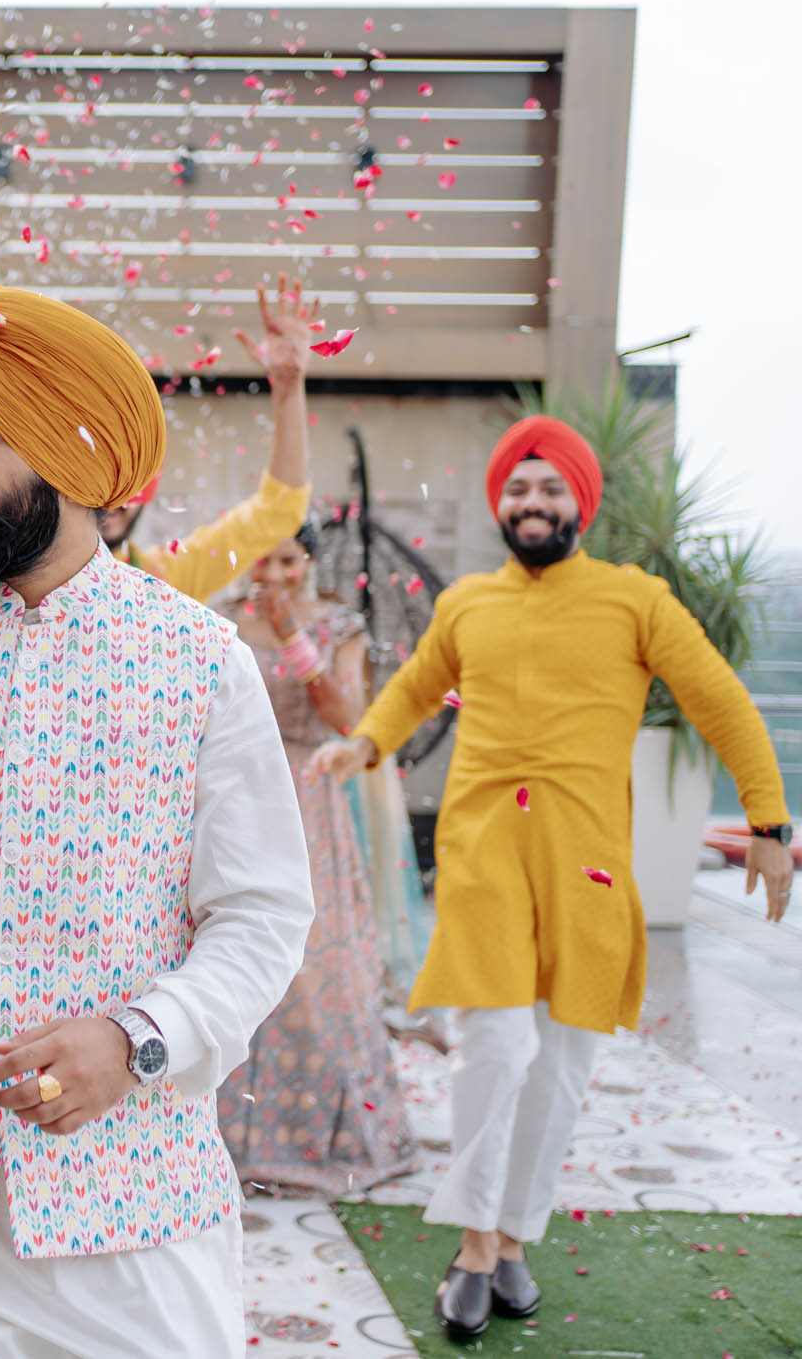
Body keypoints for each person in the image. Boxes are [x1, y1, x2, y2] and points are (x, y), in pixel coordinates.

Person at [0, 283, 315, 1358]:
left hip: (139, 1204)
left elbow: (260, 915)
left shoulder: (199, 662)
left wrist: (136, 1040)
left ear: (75, 453)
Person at [310, 414, 794, 1340]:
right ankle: (474, 1248)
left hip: (588, 866)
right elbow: (416, 685)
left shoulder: (635, 600)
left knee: (562, 1067)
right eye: (519, 488)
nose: (533, 502)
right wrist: (365, 742)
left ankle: (512, 1236)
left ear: (581, 502)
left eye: (550, 487)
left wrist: (769, 820)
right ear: (502, 505)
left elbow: (721, 701)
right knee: (496, 1048)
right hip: (485, 853)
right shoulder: (468, 604)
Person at [0, 278, 315, 600]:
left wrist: (289, 391)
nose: (110, 503)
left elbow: (278, 510)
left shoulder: (166, 580)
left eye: (123, 498)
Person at [215, 526, 415, 1197]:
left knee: (310, 963)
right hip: (232, 798)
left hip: (307, 801)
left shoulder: (338, 625)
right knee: (224, 947)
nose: (275, 572)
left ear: (308, 562)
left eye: (289, 559)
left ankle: (313, 1129)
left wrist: (291, 635)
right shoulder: (216, 619)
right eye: (264, 558)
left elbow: (348, 717)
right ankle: (217, 1134)